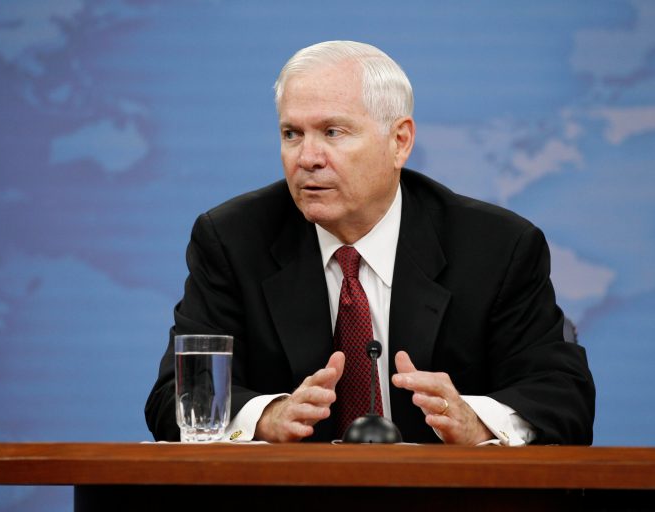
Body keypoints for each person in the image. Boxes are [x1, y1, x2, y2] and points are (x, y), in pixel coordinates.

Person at [145, 40, 595, 445]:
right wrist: (265, 418)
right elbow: (175, 399)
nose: (308, 158)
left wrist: (476, 422)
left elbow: (563, 396)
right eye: (291, 134)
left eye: (333, 132)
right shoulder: (233, 239)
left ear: (399, 142)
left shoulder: (496, 247)